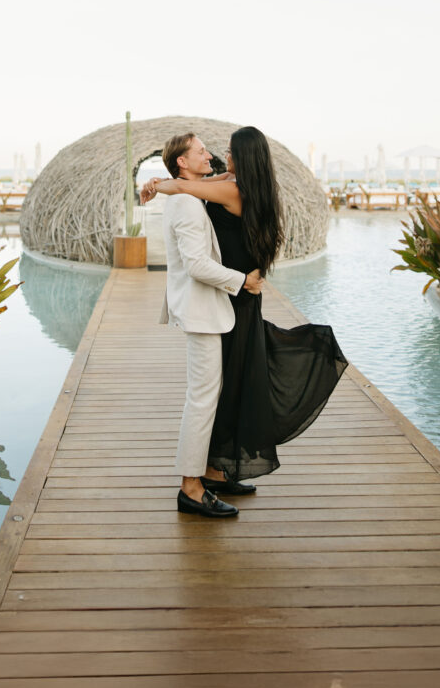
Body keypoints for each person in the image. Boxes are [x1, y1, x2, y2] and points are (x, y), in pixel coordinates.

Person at [142, 126, 348, 483]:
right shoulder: (240, 184)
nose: (221, 158)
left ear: (245, 158)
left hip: (236, 296)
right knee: (226, 386)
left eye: (230, 153)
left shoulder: (231, 190)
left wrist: (157, 185)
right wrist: (164, 181)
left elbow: (187, 186)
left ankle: (210, 469)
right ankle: (215, 467)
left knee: (226, 387)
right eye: (206, 151)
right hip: (232, 295)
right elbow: (197, 184)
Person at [158, 131, 264, 519]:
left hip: (206, 310)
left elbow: (222, 182)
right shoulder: (186, 204)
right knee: (202, 399)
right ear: (183, 162)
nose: (210, 155)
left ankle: (207, 472)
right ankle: (190, 487)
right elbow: (196, 265)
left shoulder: (188, 195)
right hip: (202, 311)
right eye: (200, 151)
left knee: (206, 396)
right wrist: (243, 281)